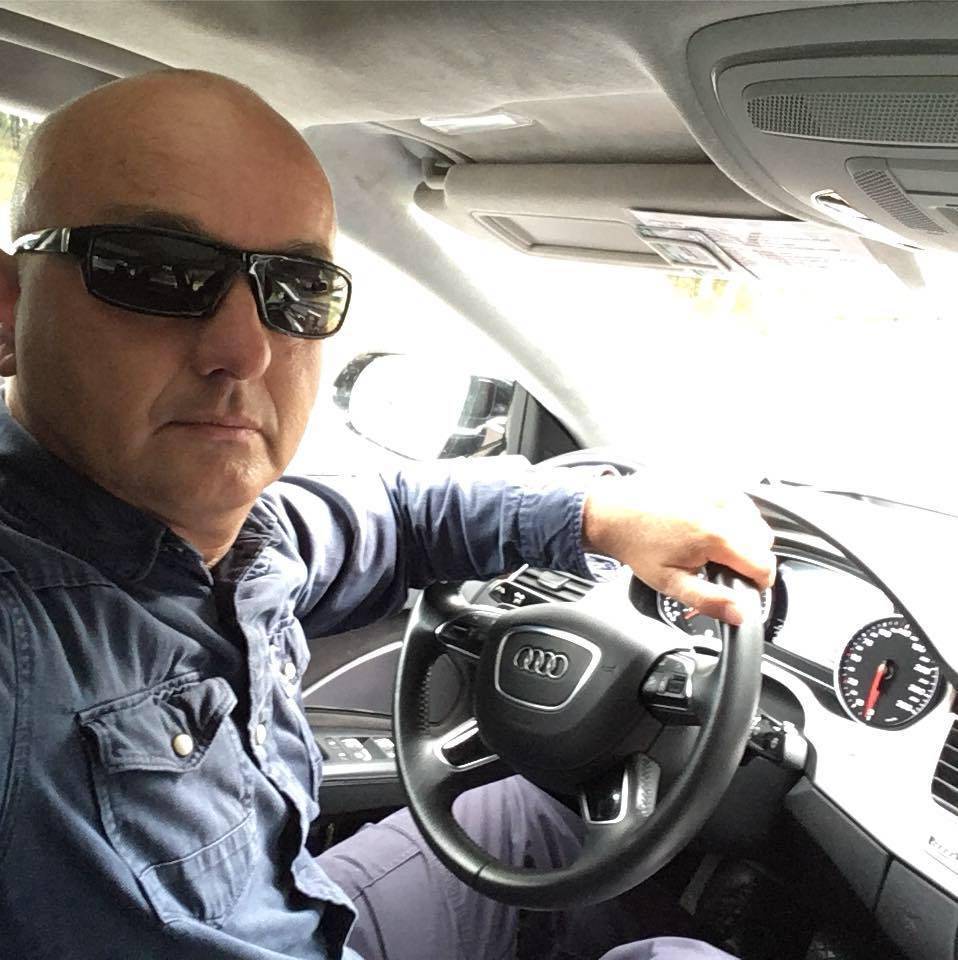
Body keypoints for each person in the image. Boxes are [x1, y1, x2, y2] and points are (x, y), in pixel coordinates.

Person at [0, 70, 774, 960]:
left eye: (296, 288)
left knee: (529, 820)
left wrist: (597, 511)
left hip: (302, 915)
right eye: (155, 272)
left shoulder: (243, 533)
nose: (245, 349)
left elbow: (401, 516)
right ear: (9, 308)